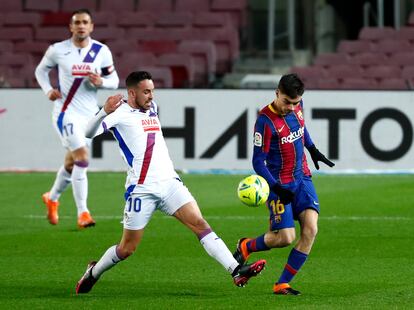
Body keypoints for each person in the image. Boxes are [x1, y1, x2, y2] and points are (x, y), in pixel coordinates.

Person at [75, 71, 266, 294]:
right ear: (132, 92)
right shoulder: (119, 113)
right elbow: (88, 133)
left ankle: (236, 270)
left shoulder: (152, 108)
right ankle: (94, 272)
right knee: (127, 249)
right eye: (146, 91)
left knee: (200, 224)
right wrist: (104, 111)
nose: (151, 96)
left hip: (170, 183)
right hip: (142, 189)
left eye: (152, 91)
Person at [233, 73, 334, 295]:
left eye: (295, 102)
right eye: (286, 101)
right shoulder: (265, 121)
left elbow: (301, 126)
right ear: (277, 93)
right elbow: (258, 161)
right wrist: (275, 187)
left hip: (303, 177)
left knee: (311, 229)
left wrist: (312, 149)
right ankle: (246, 246)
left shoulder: (297, 105)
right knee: (284, 238)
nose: (290, 107)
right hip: (279, 183)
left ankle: (282, 284)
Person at [35, 9, 119, 228]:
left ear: (91, 26)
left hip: (89, 115)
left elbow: (114, 80)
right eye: (77, 22)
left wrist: (101, 82)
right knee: (82, 158)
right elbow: (40, 71)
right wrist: (47, 90)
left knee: (72, 163)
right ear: (71, 27)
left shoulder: (101, 51)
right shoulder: (58, 50)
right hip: (66, 113)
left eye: (85, 22)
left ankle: (52, 198)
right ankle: (84, 213)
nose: (81, 26)